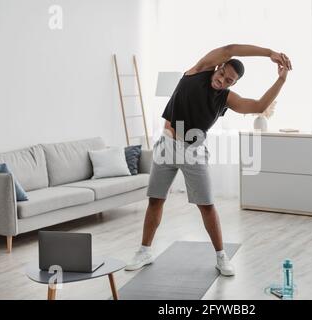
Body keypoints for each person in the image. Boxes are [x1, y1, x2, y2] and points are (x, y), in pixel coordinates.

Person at [125, 44, 292, 276]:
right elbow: (231, 48)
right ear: (219, 67)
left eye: (229, 80)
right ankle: (144, 251)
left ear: (233, 84)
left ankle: (221, 256)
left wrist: (281, 80)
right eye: (223, 74)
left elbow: (259, 106)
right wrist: (269, 54)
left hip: (194, 151)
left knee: (207, 206)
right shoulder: (199, 71)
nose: (222, 80)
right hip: (167, 144)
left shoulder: (226, 98)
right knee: (155, 200)